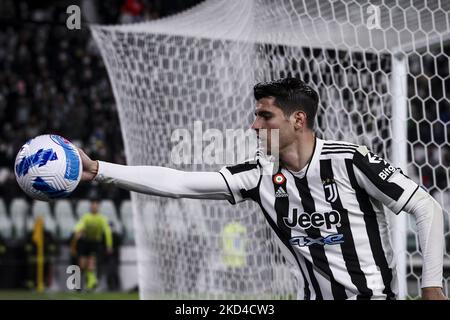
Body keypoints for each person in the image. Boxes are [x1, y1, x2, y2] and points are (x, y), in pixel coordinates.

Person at [77, 77, 446, 300]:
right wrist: (99, 170)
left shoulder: (349, 160)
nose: (254, 126)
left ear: (297, 119)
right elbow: (178, 182)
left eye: (264, 115)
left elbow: (426, 207)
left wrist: (431, 286)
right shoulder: (257, 175)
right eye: (256, 115)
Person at [71, 200, 113, 291]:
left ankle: (90, 284)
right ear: (90, 207)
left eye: (96, 206)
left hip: (95, 243)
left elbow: (107, 232)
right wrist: (78, 232)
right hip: (85, 243)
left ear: (98, 207)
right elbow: (79, 226)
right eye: (93, 206)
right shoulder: (86, 217)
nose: (94, 207)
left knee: (91, 264)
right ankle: (79, 285)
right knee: (82, 265)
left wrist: (109, 245)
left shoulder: (102, 218)